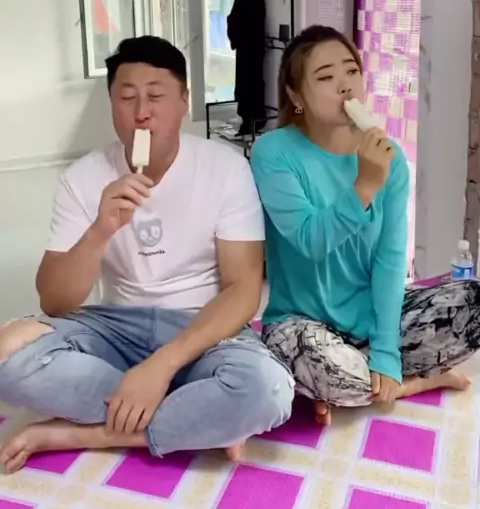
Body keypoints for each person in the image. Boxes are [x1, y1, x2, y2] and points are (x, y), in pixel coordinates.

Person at [0, 36, 294, 473]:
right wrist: (100, 231)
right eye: (127, 97)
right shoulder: (81, 179)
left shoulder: (226, 169)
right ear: (111, 105)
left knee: (267, 390)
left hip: (201, 325)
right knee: (8, 356)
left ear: (184, 100)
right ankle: (198, 418)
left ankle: (88, 433)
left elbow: (244, 290)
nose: (142, 111)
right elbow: (55, 302)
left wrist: (160, 367)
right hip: (114, 326)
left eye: (156, 96)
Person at [250, 25, 480, 426]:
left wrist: (386, 351)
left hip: (369, 318)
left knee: (473, 304)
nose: (345, 85)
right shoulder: (273, 152)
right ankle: (416, 382)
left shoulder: (390, 160)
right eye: (325, 77)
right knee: (318, 363)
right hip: (301, 322)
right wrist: (365, 185)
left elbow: (390, 262)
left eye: (351, 71)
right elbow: (311, 240)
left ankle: (355, 381)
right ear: (295, 96)